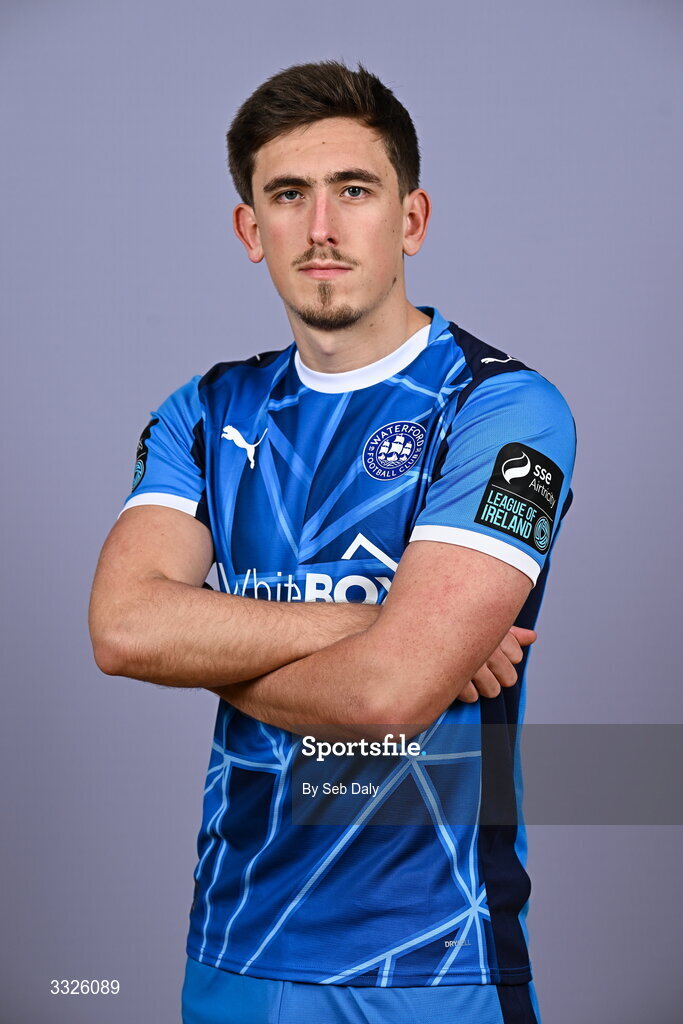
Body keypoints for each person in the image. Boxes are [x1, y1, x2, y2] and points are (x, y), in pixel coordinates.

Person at [89, 61, 576, 1024]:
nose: (321, 227)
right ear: (249, 229)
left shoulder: (504, 409)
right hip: (234, 944)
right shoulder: (206, 411)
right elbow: (123, 630)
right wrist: (392, 628)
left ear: (411, 219)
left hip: (434, 959)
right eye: (287, 195)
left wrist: (204, 649)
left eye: (354, 190)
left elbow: (384, 698)